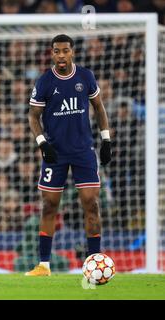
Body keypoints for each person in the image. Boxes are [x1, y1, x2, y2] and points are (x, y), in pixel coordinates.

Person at [26, 34, 112, 276]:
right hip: (56, 153)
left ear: (72, 52)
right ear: (52, 53)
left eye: (65, 51)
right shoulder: (45, 81)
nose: (61, 55)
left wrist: (106, 139)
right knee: (49, 205)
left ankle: (93, 263)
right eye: (56, 51)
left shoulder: (85, 76)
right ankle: (44, 265)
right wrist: (42, 143)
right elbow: (33, 116)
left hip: (83, 152)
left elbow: (99, 108)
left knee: (91, 204)